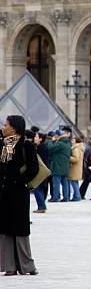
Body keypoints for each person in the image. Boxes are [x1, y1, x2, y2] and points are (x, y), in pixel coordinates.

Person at [0, 115, 39, 276]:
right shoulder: (3, 146)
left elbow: (33, 168)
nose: (3, 127)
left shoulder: (26, 146)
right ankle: (9, 266)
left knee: (21, 228)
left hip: (19, 192)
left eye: (6, 125)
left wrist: (20, 181)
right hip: (4, 192)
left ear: (14, 128)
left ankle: (26, 265)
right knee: (5, 228)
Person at [47, 126, 72, 202]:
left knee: (56, 183)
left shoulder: (60, 144)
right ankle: (66, 197)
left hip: (57, 166)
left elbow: (50, 148)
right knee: (65, 183)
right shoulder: (68, 143)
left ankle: (56, 197)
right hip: (65, 166)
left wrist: (51, 141)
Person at [32, 131, 50, 213]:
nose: (34, 138)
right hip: (42, 171)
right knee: (39, 188)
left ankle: (41, 206)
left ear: (40, 139)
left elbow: (42, 161)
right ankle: (41, 206)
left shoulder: (41, 148)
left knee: (37, 188)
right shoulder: (40, 147)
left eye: (36, 137)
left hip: (41, 171)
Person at [68, 136, 84, 201]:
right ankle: (77, 196)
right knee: (75, 182)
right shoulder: (79, 148)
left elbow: (76, 159)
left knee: (74, 182)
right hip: (77, 168)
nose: (72, 141)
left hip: (74, 168)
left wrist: (68, 157)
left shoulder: (76, 149)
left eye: (73, 140)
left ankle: (77, 196)